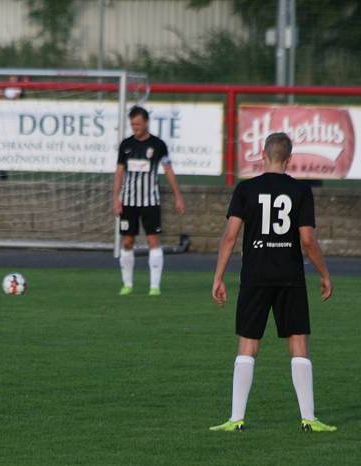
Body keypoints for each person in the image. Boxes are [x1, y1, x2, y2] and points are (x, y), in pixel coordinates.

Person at [209, 132, 335, 432]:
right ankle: (309, 418)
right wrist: (325, 274)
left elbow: (230, 236)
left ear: (263, 156)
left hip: (255, 276)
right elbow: (307, 239)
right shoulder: (300, 190)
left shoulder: (245, 189)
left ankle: (235, 418)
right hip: (289, 276)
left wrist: (218, 277)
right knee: (298, 343)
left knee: (248, 345)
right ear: (289, 159)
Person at [112, 106, 185, 296]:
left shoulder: (158, 145)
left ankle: (154, 286)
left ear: (146, 122)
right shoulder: (126, 145)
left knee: (153, 240)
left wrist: (178, 196)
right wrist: (116, 198)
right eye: (132, 124)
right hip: (128, 201)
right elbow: (119, 172)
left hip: (150, 201)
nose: (134, 127)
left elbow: (168, 170)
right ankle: (127, 285)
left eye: (137, 124)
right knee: (127, 242)